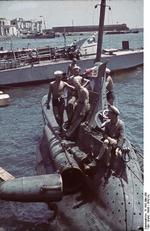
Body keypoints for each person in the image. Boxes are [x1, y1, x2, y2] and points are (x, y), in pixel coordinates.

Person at [96, 105, 125, 178]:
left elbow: (121, 137)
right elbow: (104, 134)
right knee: (106, 145)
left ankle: (117, 170)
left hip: (116, 141)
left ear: (114, 115)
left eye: (110, 113)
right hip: (110, 140)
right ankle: (105, 163)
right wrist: (110, 139)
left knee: (118, 153)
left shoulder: (121, 124)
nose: (108, 114)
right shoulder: (108, 123)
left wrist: (118, 147)